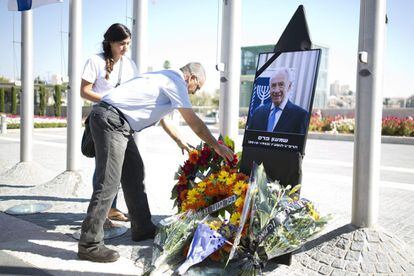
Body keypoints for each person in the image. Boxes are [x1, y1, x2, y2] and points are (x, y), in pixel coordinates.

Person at [77, 62, 234, 263]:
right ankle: (89, 244)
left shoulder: (164, 78)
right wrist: (216, 145)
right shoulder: (176, 82)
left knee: (134, 173)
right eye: (198, 87)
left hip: (119, 123)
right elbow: (193, 121)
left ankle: (142, 228)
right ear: (191, 78)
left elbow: (161, 119)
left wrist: (179, 140)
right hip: (112, 120)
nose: (195, 92)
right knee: (108, 182)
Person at [81, 23, 138, 223]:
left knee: (119, 167)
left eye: (128, 43)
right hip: (102, 120)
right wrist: (107, 100)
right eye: (121, 44)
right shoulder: (95, 61)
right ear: (110, 42)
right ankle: (100, 214)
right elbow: (84, 91)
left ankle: (111, 209)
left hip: (123, 122)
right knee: (104, 168)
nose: (125, 48)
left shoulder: (130, 65)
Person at [247, 68, 308, 134]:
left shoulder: (301, 116)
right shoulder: (258, 113)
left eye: (281, 85)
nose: (276, 90)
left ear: (289, 86)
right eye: (273, 85)